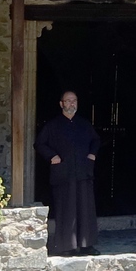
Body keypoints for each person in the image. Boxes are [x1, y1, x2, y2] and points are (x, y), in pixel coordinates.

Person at [35, 89, 100, 257]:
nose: (71, 103)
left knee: (86, 210)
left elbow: (96, 140)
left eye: (74, 100)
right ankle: (66, 247)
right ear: (61, 104)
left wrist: (92, 154)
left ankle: (87, 245)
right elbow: (40, 144)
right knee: (66, 209)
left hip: (83, 173)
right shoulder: (53, 125)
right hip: (63, 174)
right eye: (68, 100)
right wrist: (52, 156)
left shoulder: (84, 124)